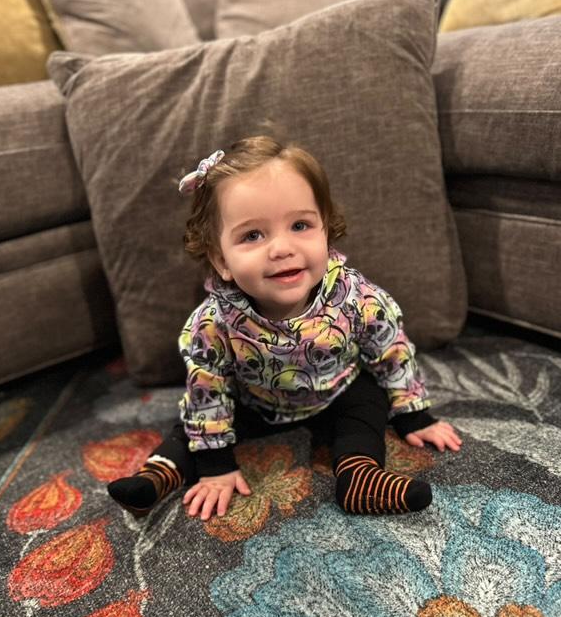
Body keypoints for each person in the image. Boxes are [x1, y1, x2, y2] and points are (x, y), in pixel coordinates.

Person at [108, 136, 462, 520]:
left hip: (336, 389)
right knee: (197, 419)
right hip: (255, 400)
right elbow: (207, 389)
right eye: (252, 235)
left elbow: (391, 350)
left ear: (325, 230)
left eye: (300, 225)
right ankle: (157, 476)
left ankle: (359, 474)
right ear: (221, 260)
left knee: (367, 400)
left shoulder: (355, 298)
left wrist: (413, 416)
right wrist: (215, 466)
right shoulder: (214, 323)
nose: (281, 248)